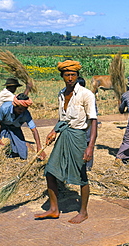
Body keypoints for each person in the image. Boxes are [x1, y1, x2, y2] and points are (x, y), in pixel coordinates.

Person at [34, 60, 98, 224]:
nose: (70, 78)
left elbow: (93, 121)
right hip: (63, 136)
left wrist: (90, 146)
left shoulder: (86, 94)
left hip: (78, 137)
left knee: (81, 175)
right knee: (50, 171)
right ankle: (54, 209)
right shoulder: (62, 94)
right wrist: (54, 130)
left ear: (77, 76)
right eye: (67, 75)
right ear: (62, 76)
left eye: (73, 75)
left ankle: (83, 212)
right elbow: (62, 118)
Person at [0, 78, 31, 155]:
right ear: (10, 87)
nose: (15, 89)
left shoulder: (6, 93)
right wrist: (28, 89)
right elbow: (20, 101)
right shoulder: (6, 93)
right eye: (14, 87)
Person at [0, 93, 46, 160]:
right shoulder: (4, 108)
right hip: (3, 127)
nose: (22, 111)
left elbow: (34, 130)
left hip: (15, 129)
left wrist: (39, 147)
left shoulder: (26, 114)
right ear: (15, 106)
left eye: (25, 109)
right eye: (20, 109)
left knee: (22, 152)